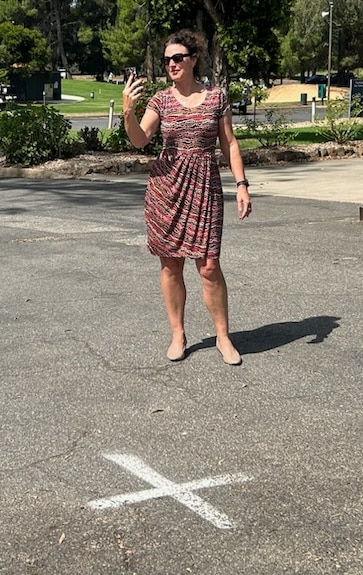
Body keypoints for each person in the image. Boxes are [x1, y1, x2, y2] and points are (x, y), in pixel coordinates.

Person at [121, 29, 251, 366]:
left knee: (208, 266)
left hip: (205, 186)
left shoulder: (215, 97)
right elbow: (139, 140)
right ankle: (178, 333)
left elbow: (230, 143)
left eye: (178, 57)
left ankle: (223, 336)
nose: (172, 64)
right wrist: (128, 112)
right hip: (166, 189)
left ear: (193, 59)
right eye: (167, 60)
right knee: (170, 265)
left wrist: (241, 184)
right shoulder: (161, 101)